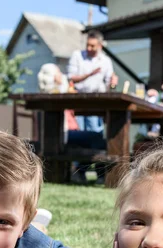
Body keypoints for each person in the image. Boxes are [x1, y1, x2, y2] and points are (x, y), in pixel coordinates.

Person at [67, 30, 118, 183]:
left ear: (100, 45)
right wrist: (89, 74)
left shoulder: (106, 61)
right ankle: (79, 173)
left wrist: (113, 82)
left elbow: (110, 82)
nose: (89, 48)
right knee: (81, 138)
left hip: (98, 103)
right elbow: (71, 78)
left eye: (93, 46)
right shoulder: (78, 56)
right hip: (80, 101)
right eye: (88, 45)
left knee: (96, 136)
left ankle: (98, 172)